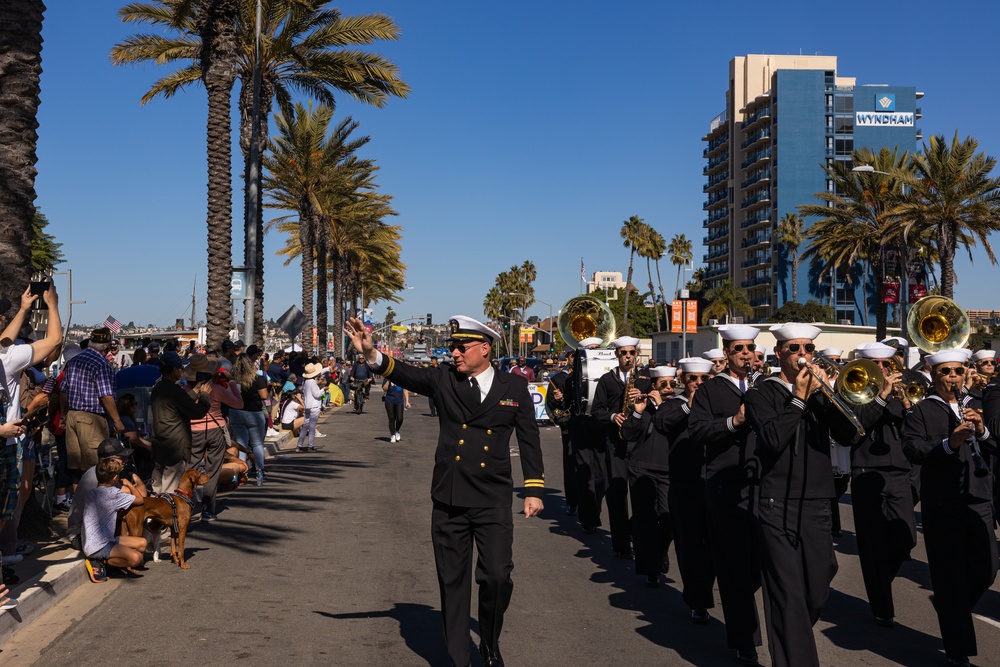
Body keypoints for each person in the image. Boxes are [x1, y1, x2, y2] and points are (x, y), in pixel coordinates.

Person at [344, 315, 544, 667]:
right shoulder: (443, 380)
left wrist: (533, 488)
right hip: (450, 497)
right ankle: (458, 658)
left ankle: (490, 639)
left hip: (492, 498)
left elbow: (529, 439)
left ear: (485, 348)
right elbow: (405, 373)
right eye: (452, 346)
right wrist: (372, 353)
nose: (453, 353)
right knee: (453, 583)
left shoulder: (513, 388)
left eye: (460, 347)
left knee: (497, 575)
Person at [743, 323, 857, 667]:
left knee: (818, 584)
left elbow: (850, 434)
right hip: (776, 500)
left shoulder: (822, 393)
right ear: (779, 354)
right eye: (794, 348)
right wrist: (799, 398)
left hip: (818, 499)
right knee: (788, 593)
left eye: (808, 348)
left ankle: (791, 633)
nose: (803, 355)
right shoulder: (761, 393)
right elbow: (774, 439)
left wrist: (829, 395)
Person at [903, 348, 996, 667]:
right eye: (945, 372)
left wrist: (981, 430)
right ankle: (958, 650)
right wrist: (949, 443)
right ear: (933, 375)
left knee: (987, 568)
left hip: (979, 498)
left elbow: (994, 444)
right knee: (951, 575)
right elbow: (912, 450)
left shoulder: (975, 405)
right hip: (942, 503)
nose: (952, 377)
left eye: (957, 371)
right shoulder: (921, 410)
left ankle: (950, 605)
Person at [687, 324, 763, 665]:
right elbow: (698, 431)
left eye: (750, 349)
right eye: (738, 349)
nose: (745, 354)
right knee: (734, 567)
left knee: (758, 566)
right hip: (724, 485)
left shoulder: (766, 385)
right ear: (727, 353)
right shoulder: (710, 390)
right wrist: (734, 421)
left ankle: (743, 609)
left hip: (764, 485)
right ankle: (744, 639)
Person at [849, 342, 916, 628]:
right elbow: (855, 428)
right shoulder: (851, 388)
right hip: (866, 471)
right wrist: (881, 396)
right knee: (872, 543)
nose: (882, 369)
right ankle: (882, 607)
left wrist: (908, 403)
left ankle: (878, 579)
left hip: (899, 471)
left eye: (886, 364)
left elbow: (913, 430)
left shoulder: (902, 392)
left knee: (907, 538)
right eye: (876, 364)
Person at [0, 285, 62, 583]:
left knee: (9, 503)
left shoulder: (7, 355)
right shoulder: (8, 357)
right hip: (6, 441)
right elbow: (54, 340)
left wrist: (24, 309)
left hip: (9, 441)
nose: (2, 319)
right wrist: (51, 305)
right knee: (6, 503)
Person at [665, 358, 716, 623]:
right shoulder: (674, 404)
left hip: (714, 484)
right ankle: (698, 600)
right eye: (692, 379)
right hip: (685, 486)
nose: (698, 383)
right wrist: (690, 406)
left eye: (703, 379)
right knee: (690, 547)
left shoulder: (716, 404)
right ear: (682, 379)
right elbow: (663, 423)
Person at [590, 336, 651, 558]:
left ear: (636, 354)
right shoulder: (607, 380)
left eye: (631, 353)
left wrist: (645, 398)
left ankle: (635, 532)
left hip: (639, 443)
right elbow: (596, 411)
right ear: (617, 355)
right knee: (616, 493)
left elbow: (656, 408)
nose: (628, 357)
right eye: (624, 353)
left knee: (643, 494)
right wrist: (613, 415)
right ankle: (621, 543)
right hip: (615, 442)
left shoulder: (645, 378)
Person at [621, 365, 676, 588]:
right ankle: (650, 568)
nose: (668, 389)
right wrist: (636, 412)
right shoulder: (642, 406)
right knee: (645, 519)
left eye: (672, 384)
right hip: (641, 468)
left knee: (669, 517)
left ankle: (659, 550)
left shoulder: (676, 406)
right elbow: (626, 433)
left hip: (667, 469)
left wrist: (663, 406)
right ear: (654, 386)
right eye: (663, 385)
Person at [63, 326, 125, 482]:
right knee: (95, 467)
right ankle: (93, 504)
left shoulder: (75, 360)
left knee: (75, 468)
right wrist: (117, 421)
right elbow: (106, 396)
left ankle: (78, 503)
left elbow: (63, 392)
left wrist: (64, 416)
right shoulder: (102, 364)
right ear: (105, 347)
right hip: (91, 419)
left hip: (72, 416)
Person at [187, 354, 242, 522]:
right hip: (215, 430)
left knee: (190, 468)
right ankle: (208, 509)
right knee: (213, 469)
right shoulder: (217, 389)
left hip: (192, 430)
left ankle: (185, 506)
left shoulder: (187, 389)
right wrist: (232, 382)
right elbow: (239, 403)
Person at [149, 352, 212, 495]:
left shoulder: (159, 388)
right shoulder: (175, 391)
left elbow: (177, 404)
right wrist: (204, 395)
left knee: (157, 487)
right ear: (174, 370)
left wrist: (195, 391)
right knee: (171, 490)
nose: (182, 371)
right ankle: (168, 514)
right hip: (175, 446)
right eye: (180, 368)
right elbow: (197, 412)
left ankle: (155, 513)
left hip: (160, 444)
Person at [82, 457, 146, 583]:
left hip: (100, 539)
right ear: (115, 478)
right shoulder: (114, 494)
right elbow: (140, 499)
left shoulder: (92, 492)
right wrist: (128, 484)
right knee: (137, 558)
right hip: (98, 546)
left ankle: (107, 559)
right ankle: (102, 561)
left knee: (142, 543)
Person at [544, 349, 577, 515]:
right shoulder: (558, 378)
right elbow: (549, 404)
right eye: (573, 355)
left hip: (586, 425)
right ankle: (572, 501)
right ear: (568, 358)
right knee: (571, 464)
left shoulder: (585, 376)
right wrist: (556, 401)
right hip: (569, 426)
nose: (575, 358)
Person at [230, 354, 270, 485]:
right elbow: (264, 396)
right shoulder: (257, 379)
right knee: (257, 443)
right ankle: (259, 471)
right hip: (254, 412)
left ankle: (242, 472)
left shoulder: (232, 379)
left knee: (241, 444)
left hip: (236, 412)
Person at [296, 362, 324, 452]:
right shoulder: (312, 382)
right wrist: (323, 389)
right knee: (312, 426)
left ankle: (299, 445)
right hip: (314, 406)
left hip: (307, 405)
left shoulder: (306, 382)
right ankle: (310, 445)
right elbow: (316, 394)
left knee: (305, 425)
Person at [382, 376, 410, 443]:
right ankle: (393, 435)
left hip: (399, 401)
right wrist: (388, 381)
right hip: (389, 400)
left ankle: (397, 430)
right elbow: (384, 389)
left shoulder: (401, 378)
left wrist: (407, 401)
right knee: (391, 418)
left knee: (400, 418)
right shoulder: (387, 377)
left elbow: (405, 390)